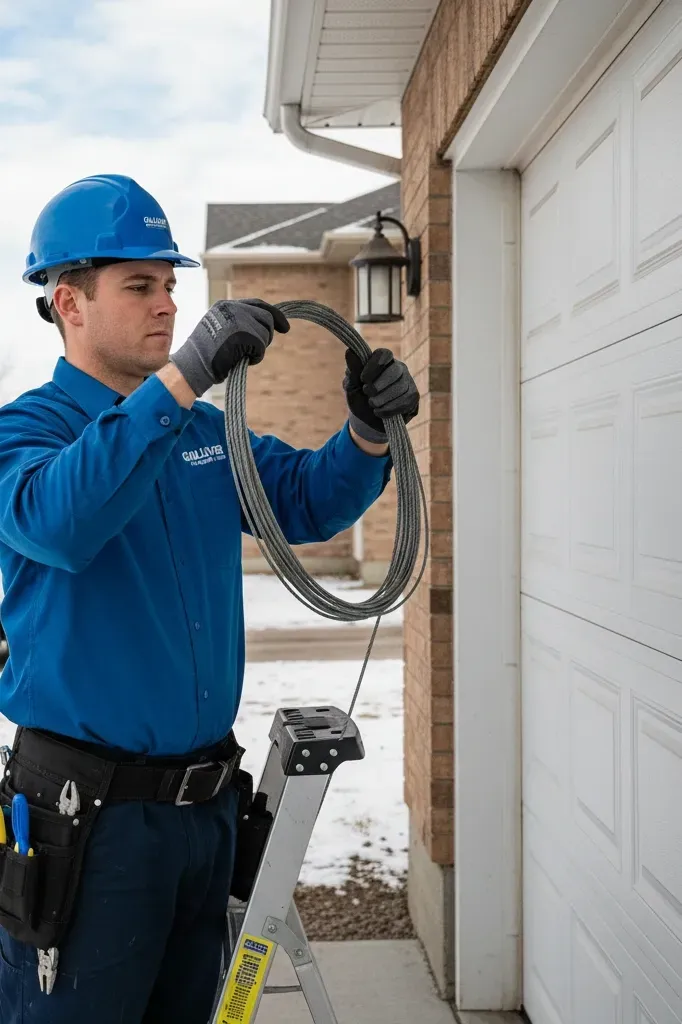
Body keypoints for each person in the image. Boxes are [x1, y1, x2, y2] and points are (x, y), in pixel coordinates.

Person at [0, 174, 419, 1023]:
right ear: (68, 301)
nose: (166, 306)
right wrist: (182, 382)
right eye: (139, 286)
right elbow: (61, 524)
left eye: (170, 286)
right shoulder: (28, 431)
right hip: (89, 823)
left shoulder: (201, 434)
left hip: (203, 816)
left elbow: (302, 499)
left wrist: (367, 431)